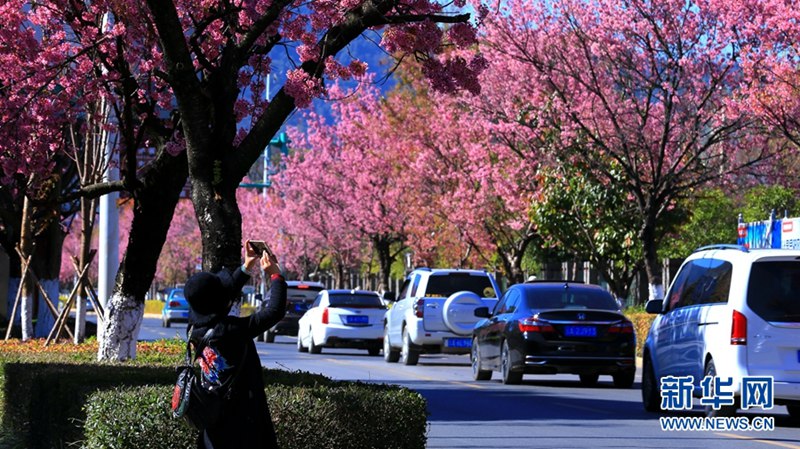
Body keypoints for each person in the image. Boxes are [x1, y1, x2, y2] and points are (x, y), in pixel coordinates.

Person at [184, 239, 287, 449]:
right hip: (242, 421)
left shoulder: (196, 327)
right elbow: (273, 312)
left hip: (214, 416)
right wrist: (276, 275)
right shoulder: (229, 331)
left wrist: (247, 266)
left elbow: (220, 296)